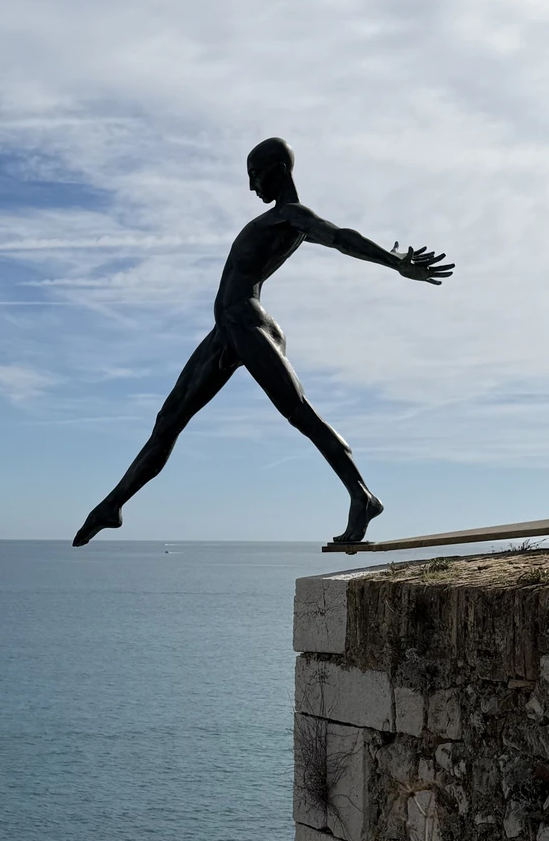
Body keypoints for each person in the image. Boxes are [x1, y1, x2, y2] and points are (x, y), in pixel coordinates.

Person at [73, 137, 454, 547]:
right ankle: (113, 505)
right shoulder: (278, 218)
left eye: (256, 175)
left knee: (300, 413)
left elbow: (341, 237)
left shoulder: (293, 216)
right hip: (227, 330)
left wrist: (395, 262)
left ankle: (361, 496)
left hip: (246, 324)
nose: (252, 186)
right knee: (168, 421)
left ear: (279, 169)